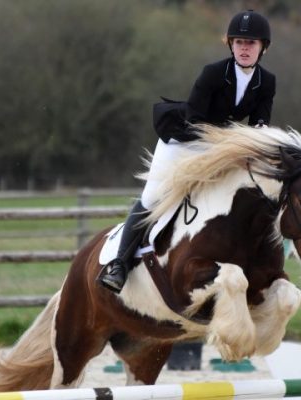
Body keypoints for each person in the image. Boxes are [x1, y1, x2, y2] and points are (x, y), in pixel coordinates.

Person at [98, 10, 276, 293]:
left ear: (263, 47)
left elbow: (259, 126)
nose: (244, 48)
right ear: (230, 44)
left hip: (221, 145)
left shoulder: (266, 82)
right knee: (153, 196)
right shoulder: (214, 73)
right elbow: (195, 119)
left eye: (251, 43)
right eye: (239, 42)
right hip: (183, 139)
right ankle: (118, 264)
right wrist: (230, 145)